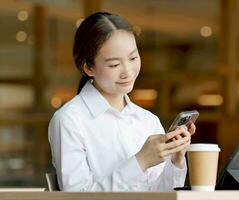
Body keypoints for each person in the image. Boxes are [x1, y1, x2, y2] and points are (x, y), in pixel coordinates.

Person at [48, 12, 195, 192]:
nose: (127, 71)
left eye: (133, 58)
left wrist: (176, 158)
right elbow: (76, 196)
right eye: (114, 65)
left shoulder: (148, 121)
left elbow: (162, 194)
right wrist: (140, 161)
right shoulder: (70, 120)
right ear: (88, 67)